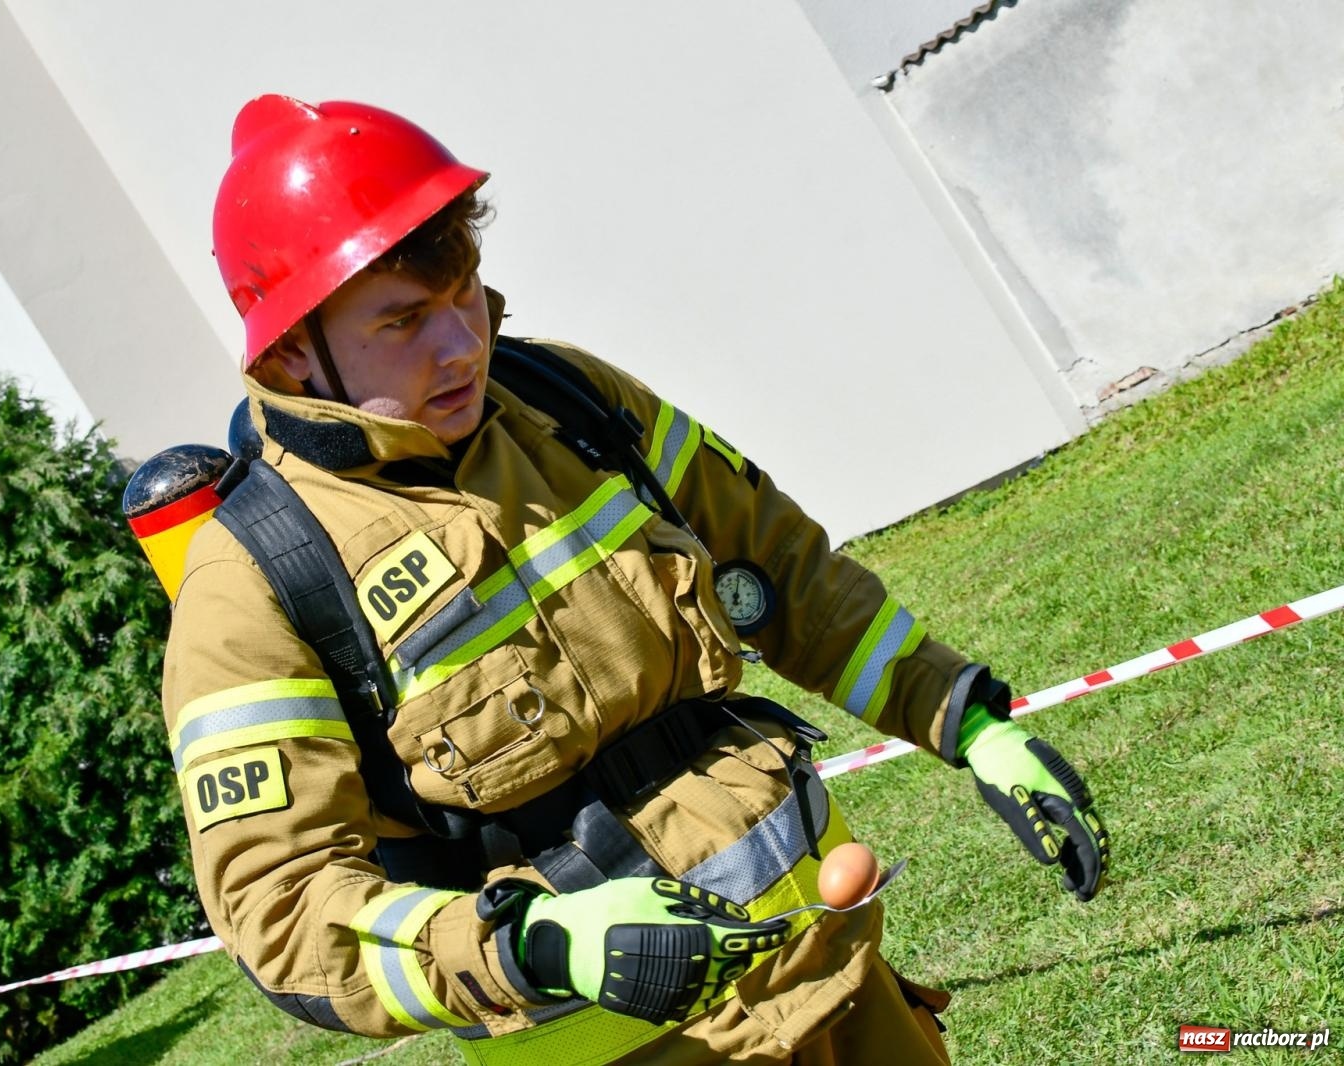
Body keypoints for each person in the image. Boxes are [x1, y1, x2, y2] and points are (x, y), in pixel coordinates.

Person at [160, 93, 1111, 1065]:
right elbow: (283, 915)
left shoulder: (569, 400)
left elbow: (779, 568)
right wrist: (528, 945)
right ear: (288, 352)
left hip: (833, 979)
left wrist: (963, 717)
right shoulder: (253, 585)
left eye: (463, 293)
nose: (461, 345)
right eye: (403, 321)